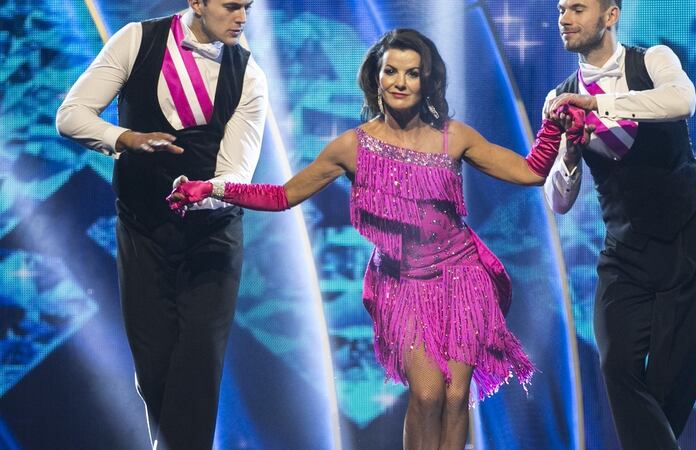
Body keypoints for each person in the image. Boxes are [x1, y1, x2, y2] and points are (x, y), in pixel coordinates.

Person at [168, 28, 583, 450]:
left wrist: (555, 127)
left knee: (456, 396)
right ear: (376, 77)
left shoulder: (454, 136)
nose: (401, 82)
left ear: (428, 81)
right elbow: (282, 196)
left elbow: (531, 172)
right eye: (391, 71)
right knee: (427, 394)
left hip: (462, 277)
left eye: (413, 73)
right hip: (402, 284)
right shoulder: (351, 147)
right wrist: (214, 189)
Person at [55, 1, 267, 449]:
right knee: (153, 367)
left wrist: (205, 192)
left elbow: (237, 173)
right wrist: (125, 139)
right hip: (142, 230)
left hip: (213, 236)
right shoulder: (137, 40)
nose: (242, 17)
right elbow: (71, 115)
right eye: (231, 6)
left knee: (199, 362)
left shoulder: (248, 74)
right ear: (197, 2)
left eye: (248, 7)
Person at [543, 1, 696, 449]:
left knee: (669, 383)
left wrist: (598, 103)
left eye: (578, 8)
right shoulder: (559, 97)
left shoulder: (653, 59)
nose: (564, 17)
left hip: (685, 240)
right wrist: (569, 156)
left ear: (611, 15)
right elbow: (558, 201)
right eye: (561, 8)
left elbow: (684, 100)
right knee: (615, 364)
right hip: (624, 250)